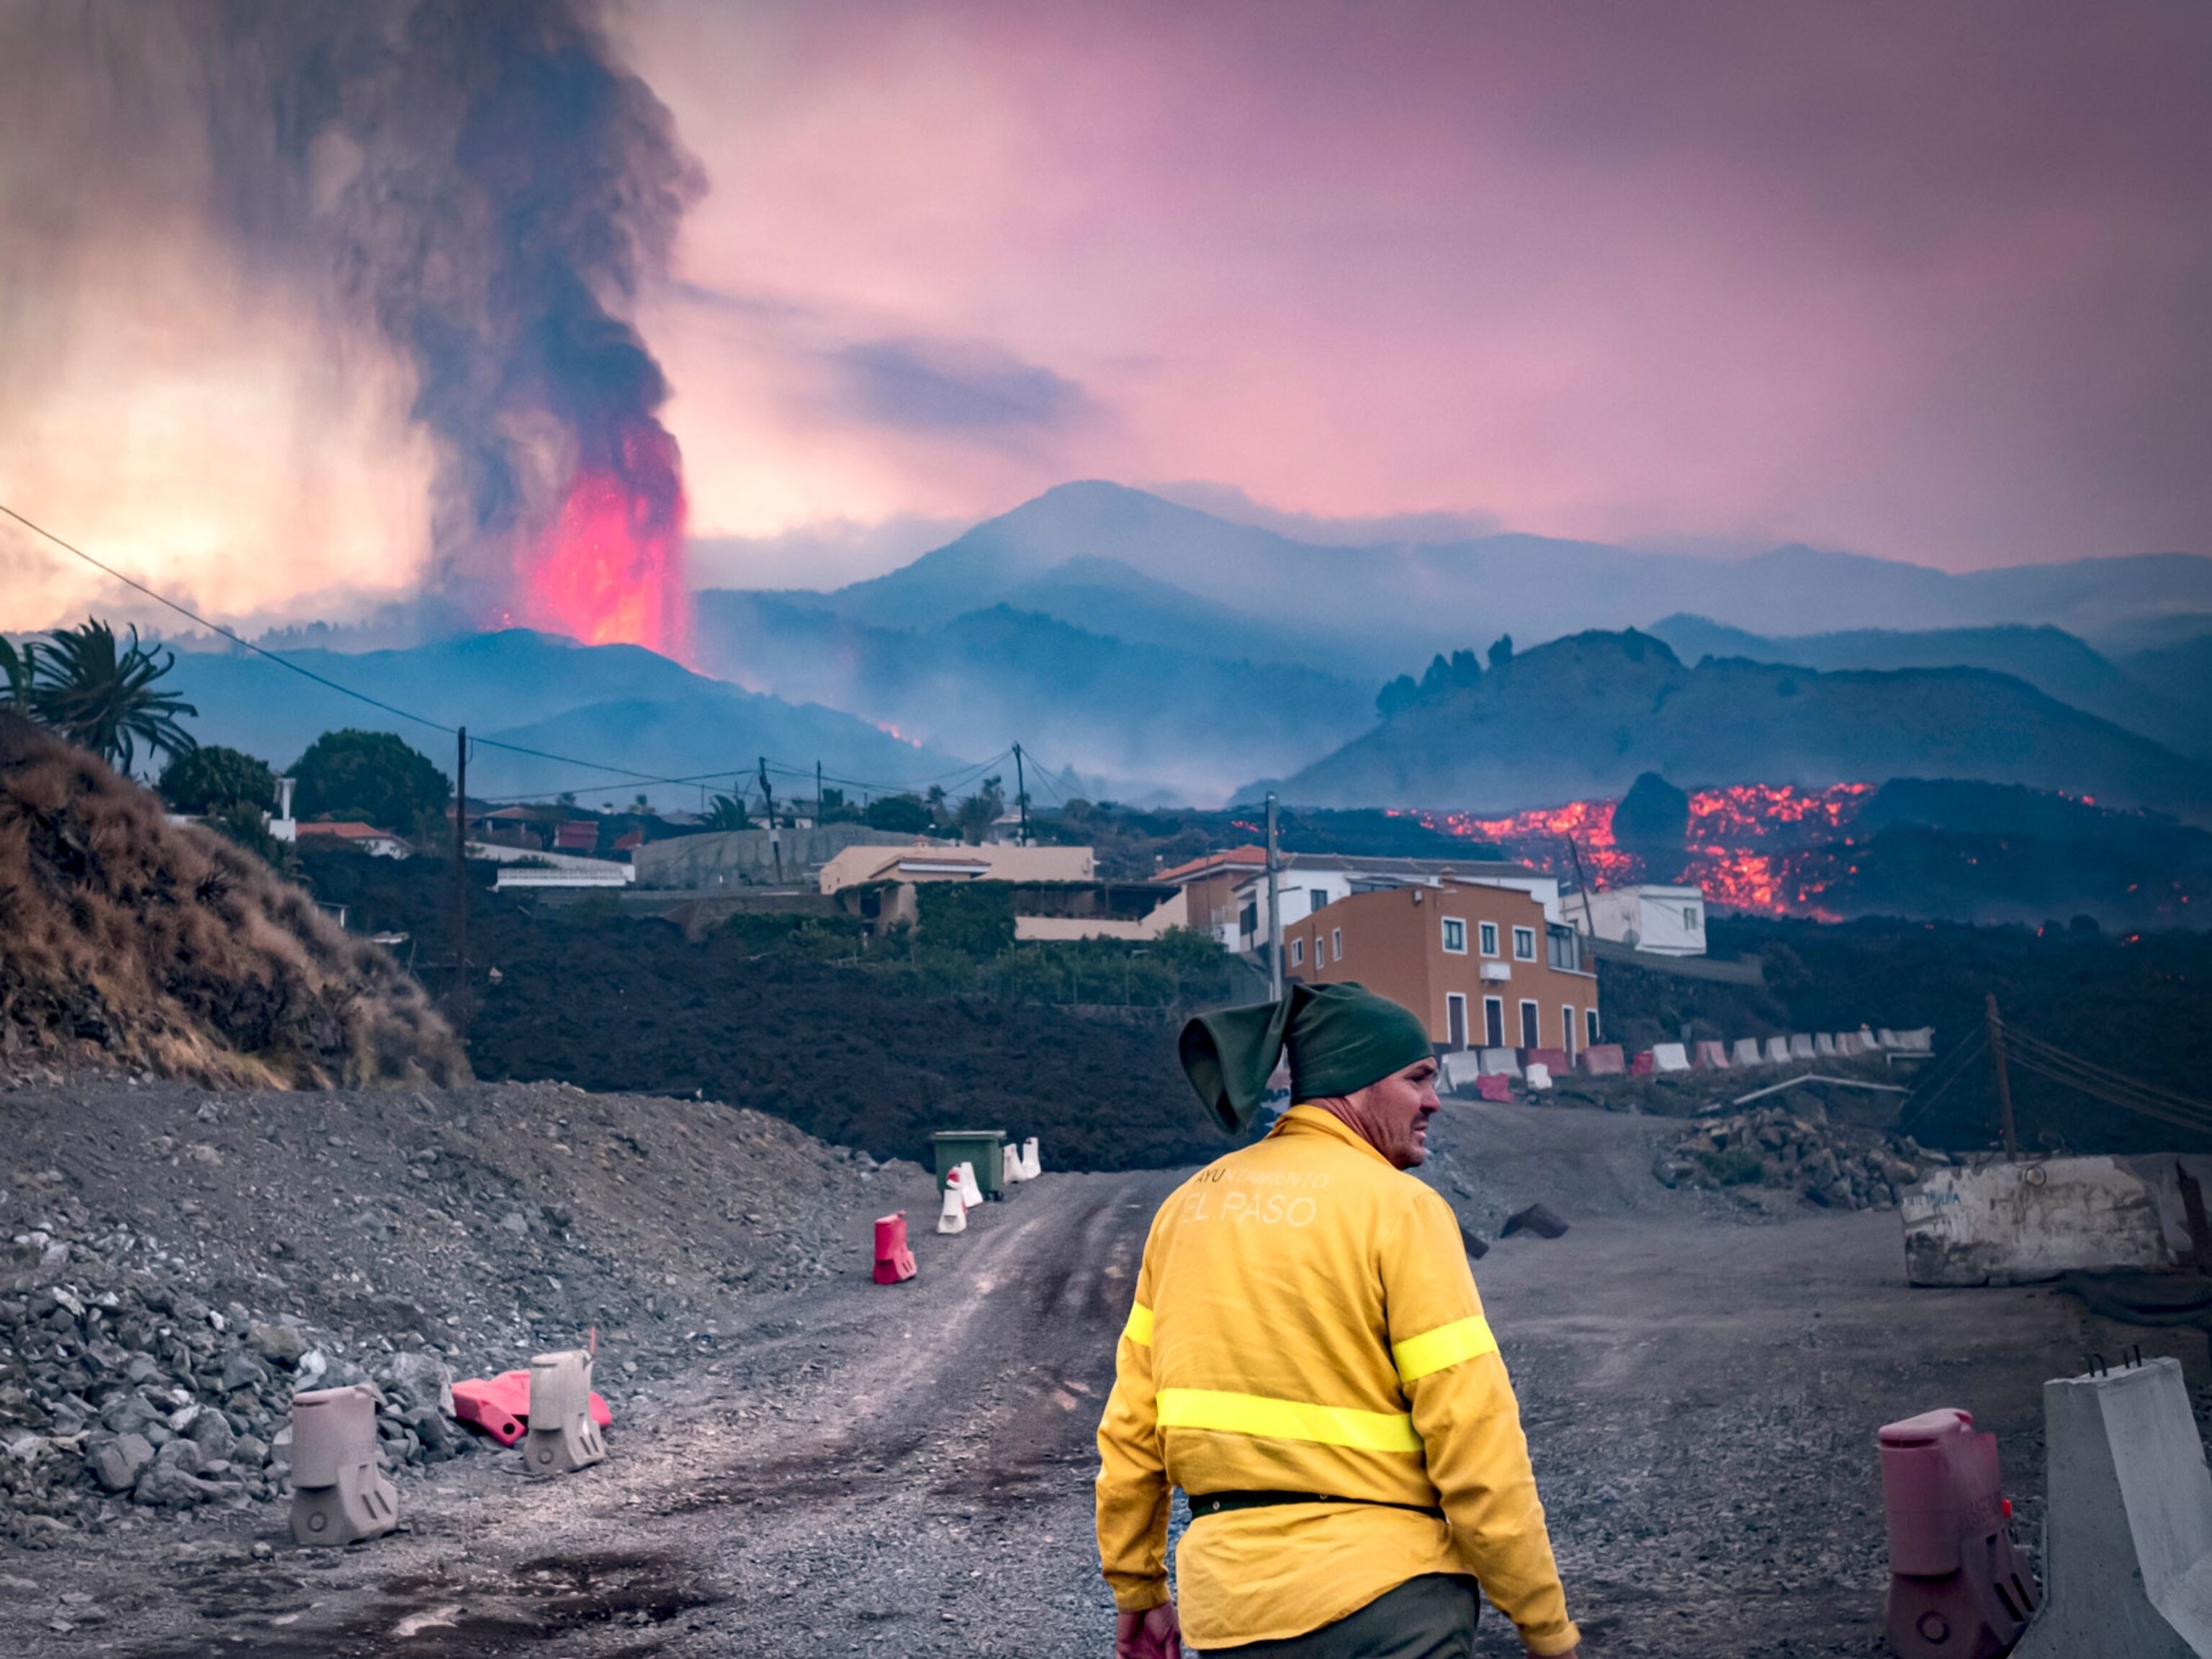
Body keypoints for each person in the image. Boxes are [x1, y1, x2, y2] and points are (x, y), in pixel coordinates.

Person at [1095, 981, 1582, 1659]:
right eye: (1417, 1078)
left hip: (1235, 1617)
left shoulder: (1185, 1211)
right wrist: (1545, 1626)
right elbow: (1474, 1436)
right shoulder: (1399, 1209)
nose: (1433, 1101)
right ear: (1355, 1083)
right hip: (1393, 1604)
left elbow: (1130, 1430)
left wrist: (1137, 1586)